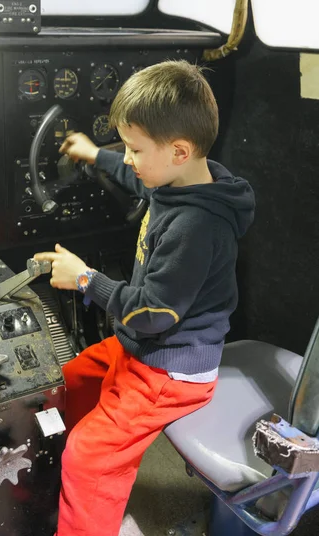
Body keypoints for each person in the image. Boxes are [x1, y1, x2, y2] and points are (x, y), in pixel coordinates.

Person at [35, 60, 255, 536]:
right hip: (141, 345)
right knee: (68, 384)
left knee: (90, 458)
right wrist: (97, 154)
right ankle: (60, 481)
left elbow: (155, 314)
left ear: (178, 150)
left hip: (169, 368)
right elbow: (140, 179)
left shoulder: (198, 227)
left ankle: (83, 501)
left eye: (135, 148)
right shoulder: (179, 178)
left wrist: (85, 279)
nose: (129, 158)